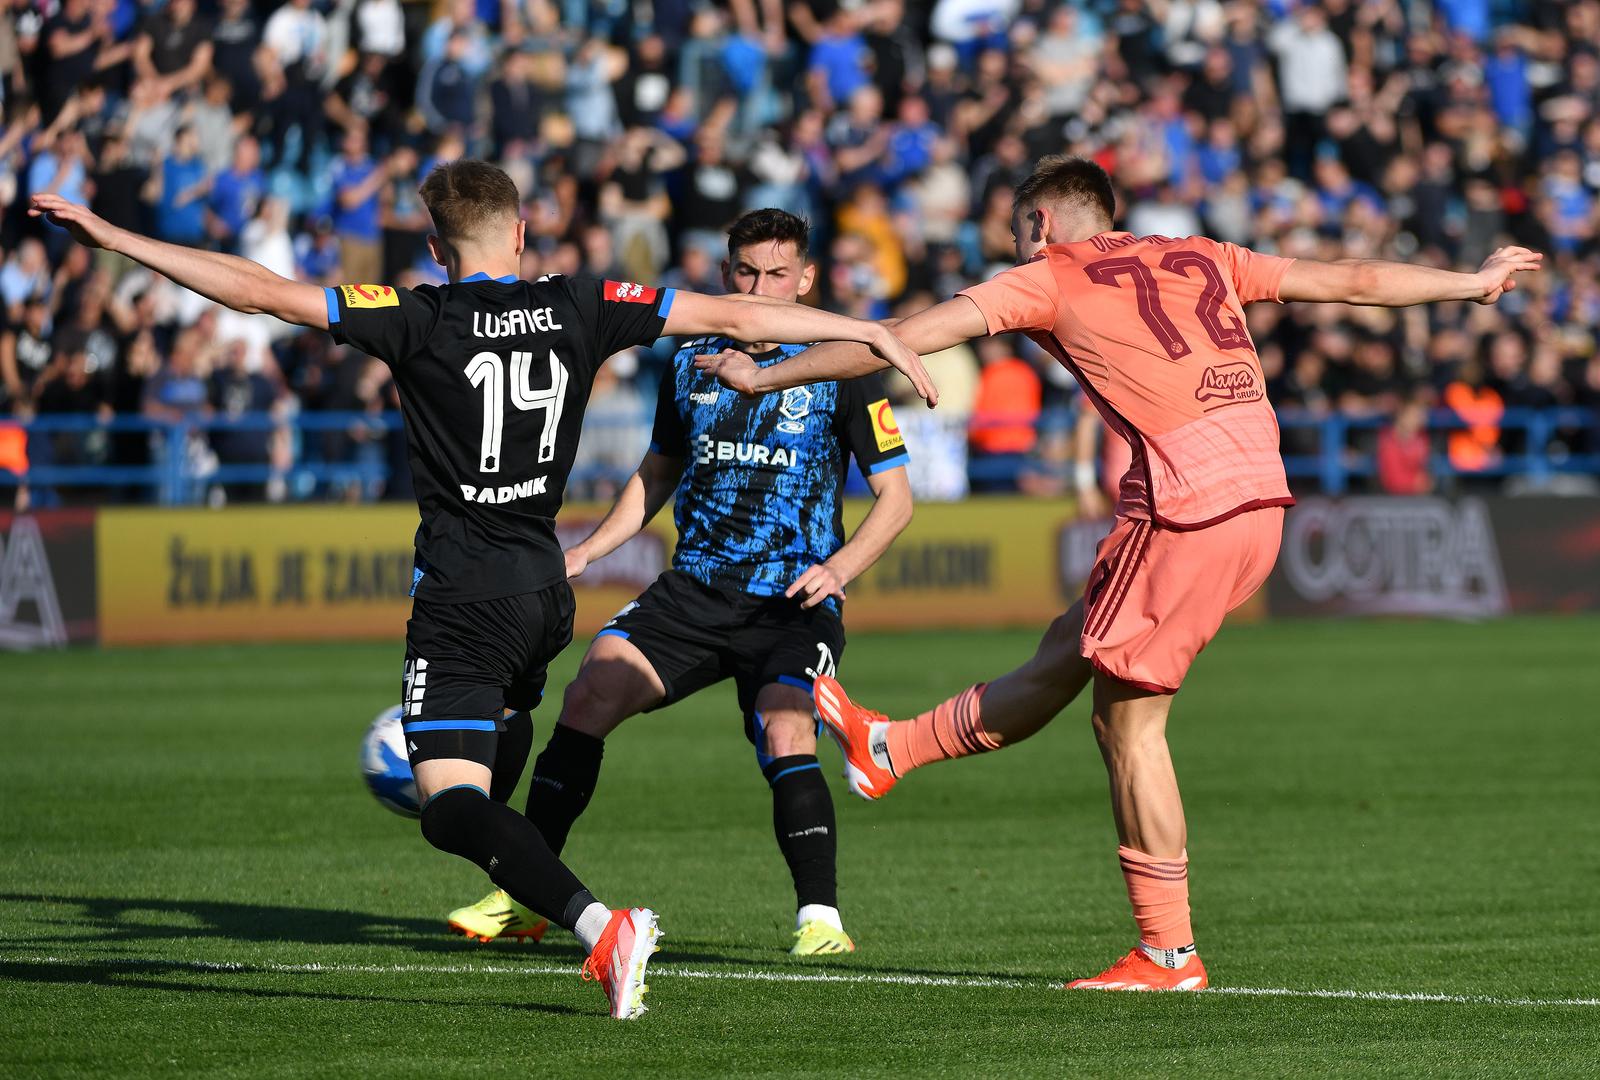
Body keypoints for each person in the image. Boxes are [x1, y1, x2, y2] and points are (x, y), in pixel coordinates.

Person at [30, 162, 925, 1018]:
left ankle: (608, 924)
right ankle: (528, 879)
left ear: (433, 246)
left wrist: (113, 236)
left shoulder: (416, 316)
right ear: (524, 231)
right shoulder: (584, 299)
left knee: (450, 806)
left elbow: (259, 290)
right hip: (543, 590)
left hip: (467, 592)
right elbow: (732, 317)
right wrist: (873, 330)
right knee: (535, 716)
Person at [697, 155, 1541, 990]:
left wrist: (763, 372)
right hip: (1261, 498)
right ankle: (894, 747)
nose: (1017, 242)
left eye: (1016, 229)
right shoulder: (1206, 254)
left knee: (1128, 726)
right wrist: (1472, 283)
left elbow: (892, 342)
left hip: (1189, 510)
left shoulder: (1046, 277)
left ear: (1041, 223)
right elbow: (1355, 279)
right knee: (1075, 640)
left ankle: (1169, 954)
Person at [446, 209, 914, 957]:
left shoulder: (841, 367)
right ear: (728, 276)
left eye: (778, 274)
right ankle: (524, 894)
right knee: (591, 689)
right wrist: (588, 551)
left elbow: (897, 498)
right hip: (692, 592)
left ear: (808, 280)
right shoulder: (690, 360)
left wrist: (839, 569)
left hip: (792, 602)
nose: (762, 287)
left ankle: (819, 918)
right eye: (747, 273)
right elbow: (657, 474)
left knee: (786, 727)